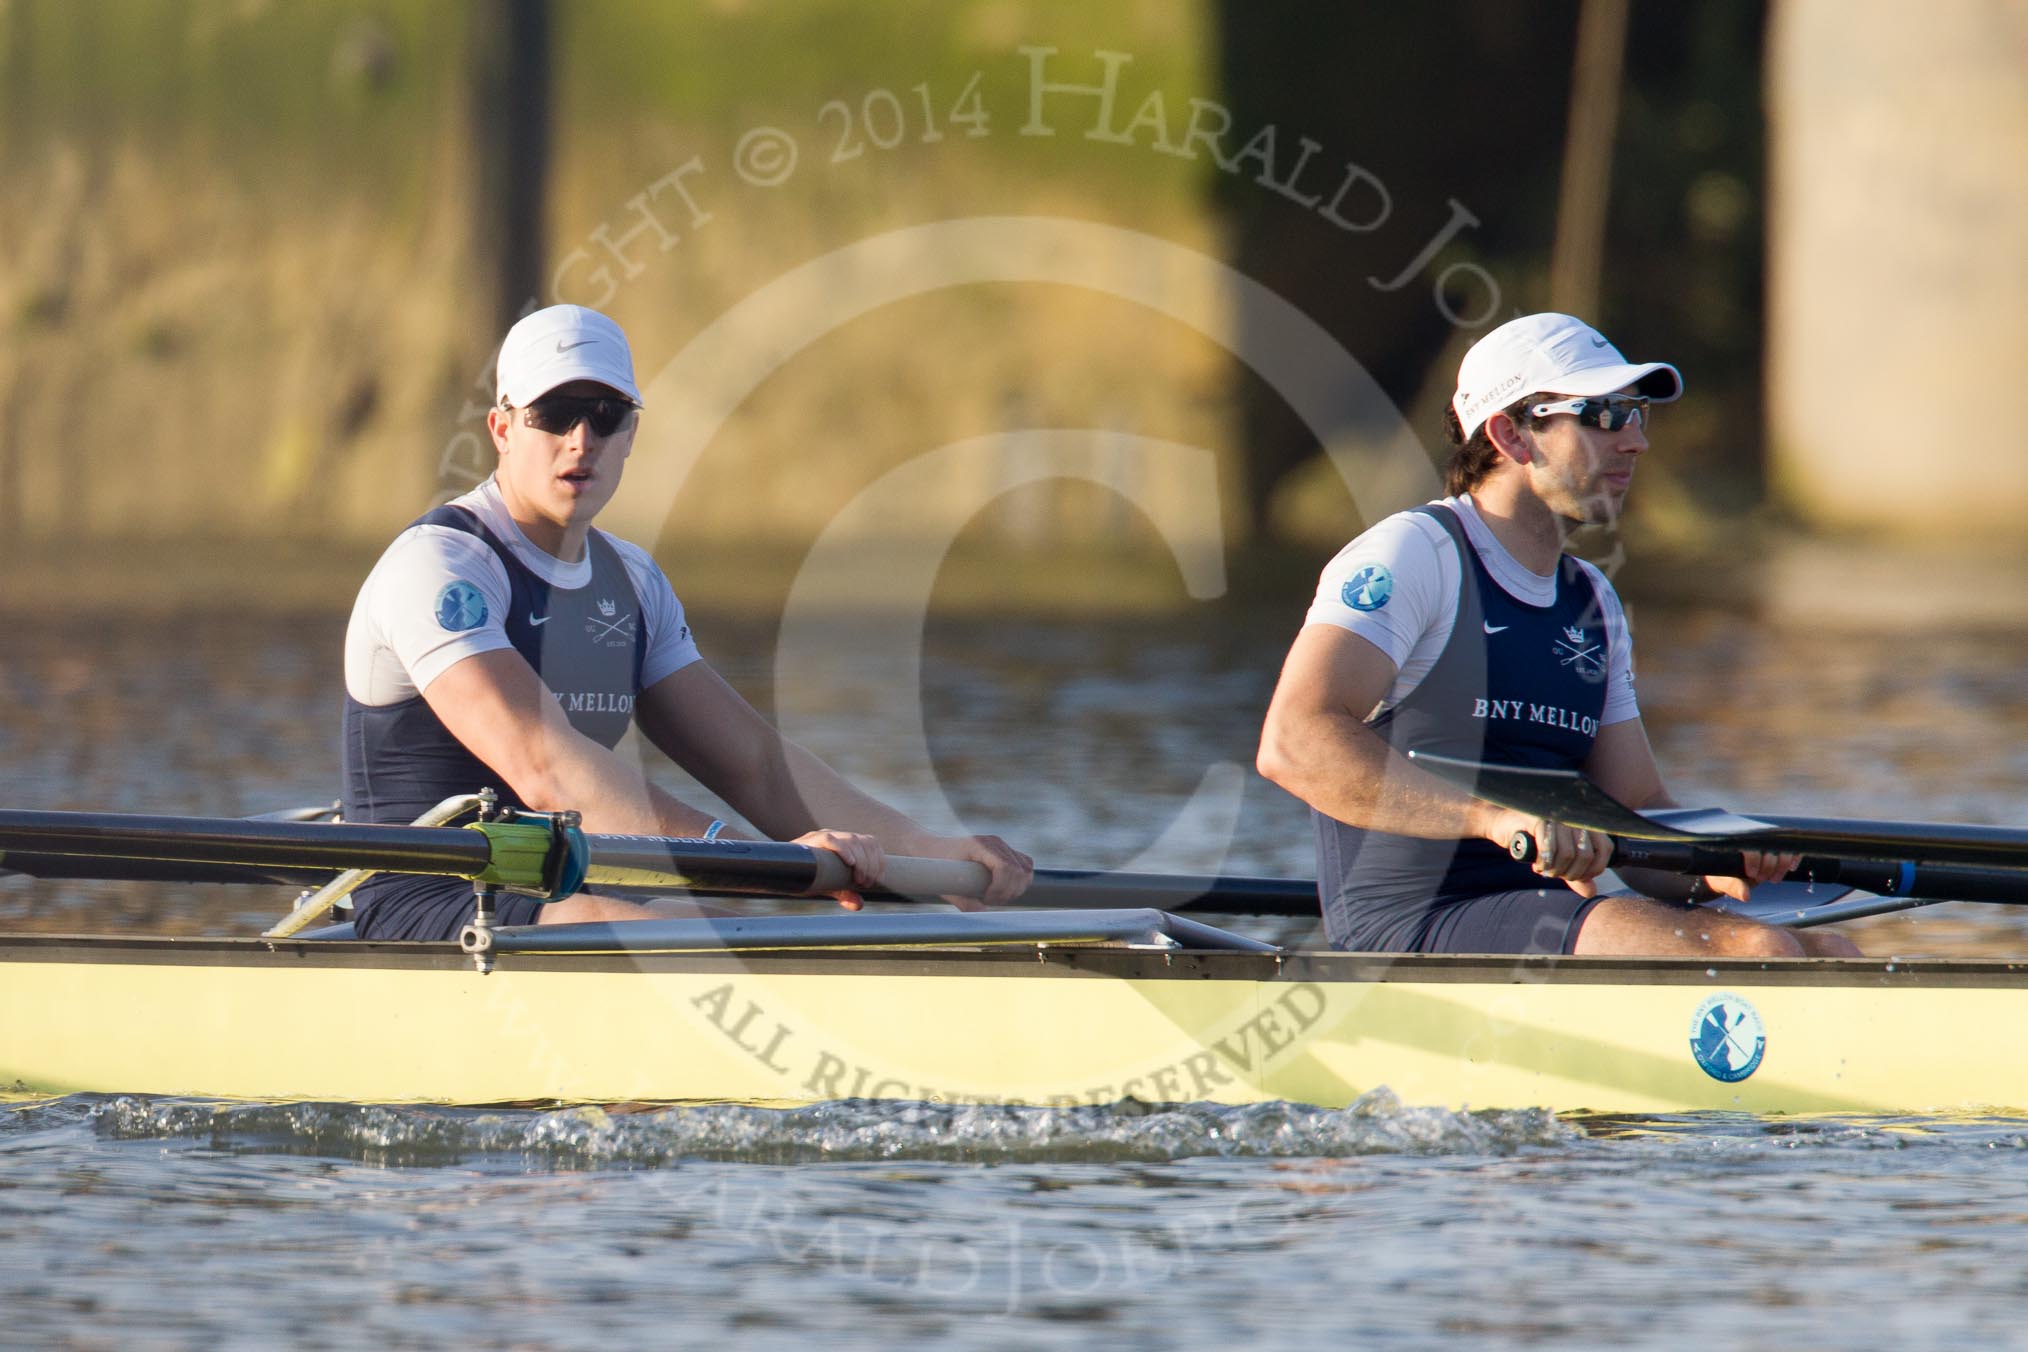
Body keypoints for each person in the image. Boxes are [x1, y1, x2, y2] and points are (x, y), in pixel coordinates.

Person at [342, 303, 1032, 939]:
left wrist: (933, 852)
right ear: (502, 428)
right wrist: (748, 861)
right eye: (553, 414)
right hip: (429, 900)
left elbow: (757, 767)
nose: (581, 439)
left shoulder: (633, 583)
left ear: (632, 432)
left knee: (708, 918)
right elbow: (547, 769)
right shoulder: (442, 567)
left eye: (605, 414)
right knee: (697, 927)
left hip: (561, 885)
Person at [1256, 312, 1859, 958]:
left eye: (1635, 415)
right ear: (1511, 435)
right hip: (1412, 928)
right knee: (1760, 953)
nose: (1634, 442)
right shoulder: (1415, 555)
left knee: (1835, 956)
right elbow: (1294, 743)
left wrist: (1712, 859)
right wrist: (1493, 821)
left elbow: (1636, 808)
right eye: (1602, 415)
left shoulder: (1591, 600)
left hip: (1541, 919)